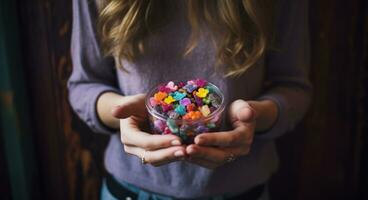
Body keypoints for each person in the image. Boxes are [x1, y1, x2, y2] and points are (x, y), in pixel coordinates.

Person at [68, 0, 312, 199]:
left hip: (243, 191)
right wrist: (122, 114)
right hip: (130, 190)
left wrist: (254, 117)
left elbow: (293, 87)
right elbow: (84, 85)